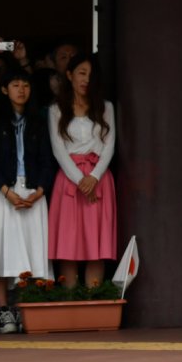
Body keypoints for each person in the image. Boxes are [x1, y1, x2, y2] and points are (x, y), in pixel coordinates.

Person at [0, 70, 56, 333]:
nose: (21, 90)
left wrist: (39, 190)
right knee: (1, 251)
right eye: (15, 85)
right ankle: (4, 310)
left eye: (25, 85)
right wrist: (6, 190)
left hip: (32, 193)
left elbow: (47, 161)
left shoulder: (38, 121)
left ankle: (28, 307)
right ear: (4, 89)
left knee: (32, 249)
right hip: (2, 192)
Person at [48, 54, 117, 288]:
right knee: (69, 246)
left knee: (95, 246)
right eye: (81, 73)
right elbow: (58, 150)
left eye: (90, 74)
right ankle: (69, 304)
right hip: (69, 181)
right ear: (69, 75)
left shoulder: (105, 107)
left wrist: (94, 177)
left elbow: (109, 146)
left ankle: (94, 300)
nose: (86, 79)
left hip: (99, 179)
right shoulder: (57, 109)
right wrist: (80, 180)